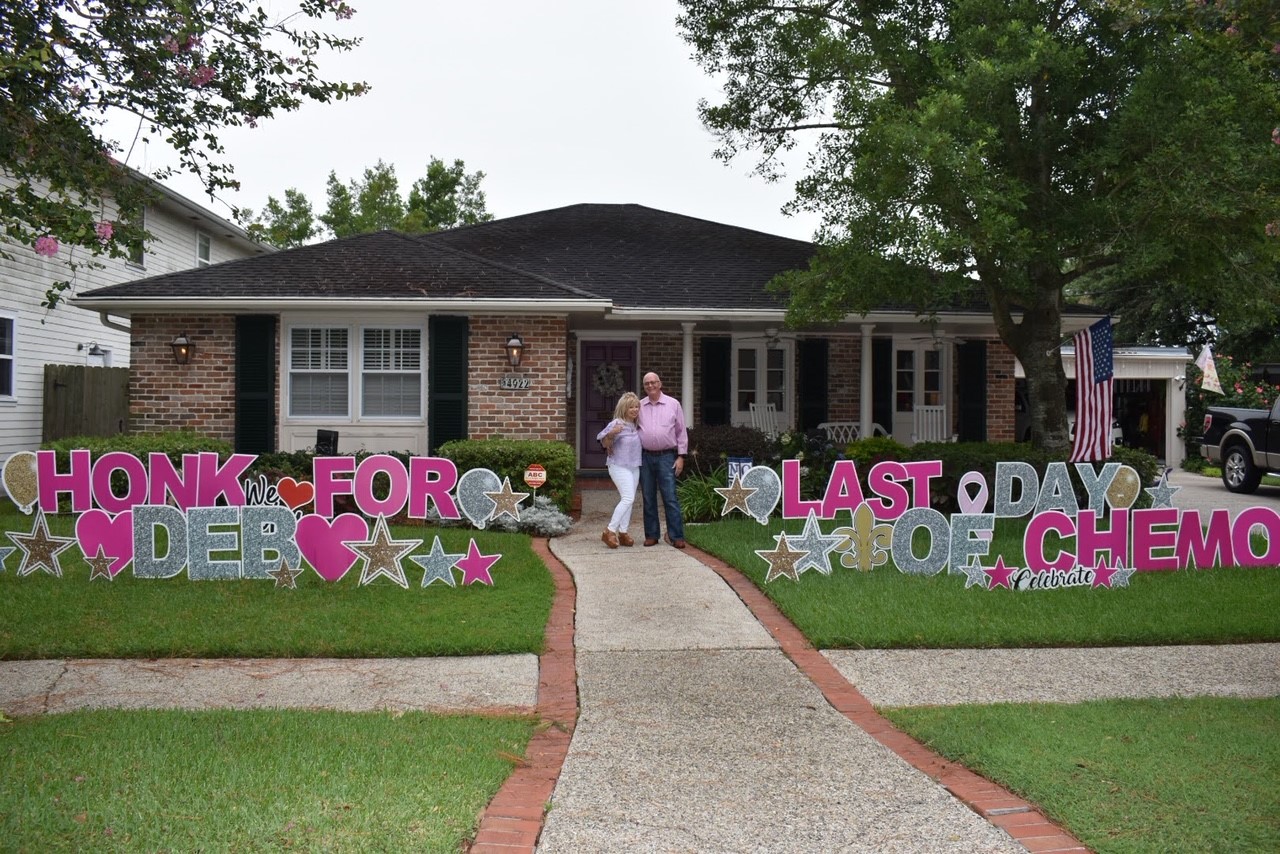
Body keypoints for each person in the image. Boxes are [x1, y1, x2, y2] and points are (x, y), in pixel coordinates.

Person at [636, 372, 687, 548]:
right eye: (646, 384)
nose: (650, 386)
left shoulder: (673, 404)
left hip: (667, 457)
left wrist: (681, 456)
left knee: (670, 497)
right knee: (648, 497)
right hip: (645, 457)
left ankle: (677, 536)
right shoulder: (639, 406)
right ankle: (651, 535)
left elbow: (681, 431)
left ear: (660, 384)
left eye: (653, 382)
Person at [596, 391, 642, 548]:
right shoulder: (617, 423)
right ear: (624, 408)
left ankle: (623, 532)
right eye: (631, 407)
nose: (635, 410)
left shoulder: (636, 425)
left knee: (628, 499)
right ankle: (609, 531)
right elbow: (603, 442)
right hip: (618, 465)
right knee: (628, 498)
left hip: (634, 466)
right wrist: (611, 434)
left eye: (637, 406)